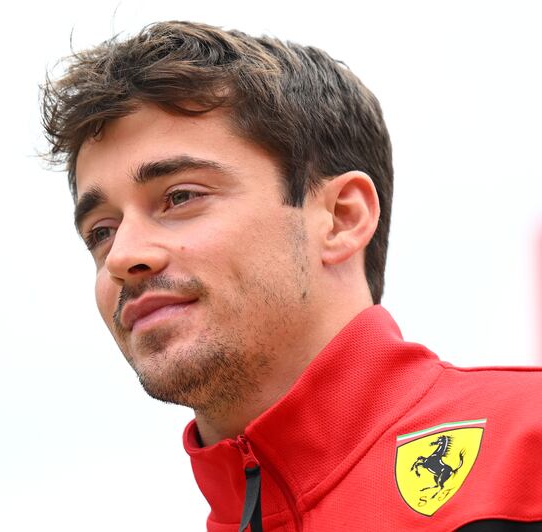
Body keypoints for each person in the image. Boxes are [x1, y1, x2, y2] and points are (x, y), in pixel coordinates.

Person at [39, 21, 542, 531]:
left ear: (341, 218)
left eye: (181, 197)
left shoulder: (527, 453)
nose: (123, 255)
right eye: (101, 231)